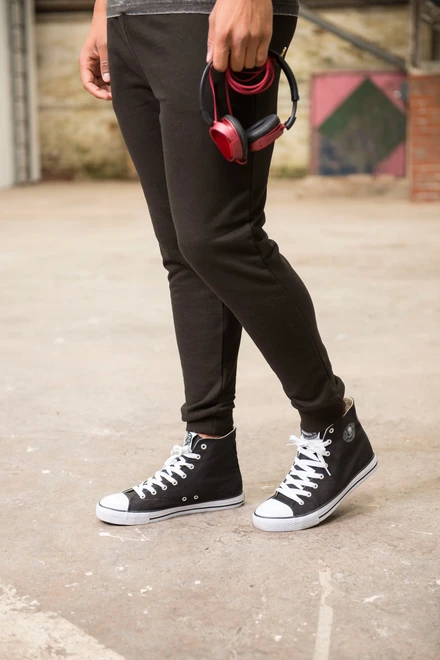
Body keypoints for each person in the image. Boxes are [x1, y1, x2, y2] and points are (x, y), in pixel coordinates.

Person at [80, 0, 377, 532]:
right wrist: (104, 9)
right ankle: (210, 453)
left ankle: (334, 427)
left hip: (202, 14)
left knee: (222, 238)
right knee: (183, 251)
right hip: (129, 20)